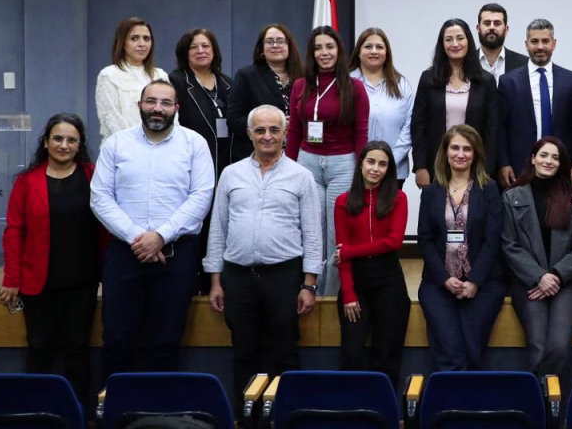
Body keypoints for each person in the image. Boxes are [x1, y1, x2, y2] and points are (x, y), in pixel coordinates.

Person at [90, 80, 215, 379]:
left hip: (177, 256)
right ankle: (117, 408)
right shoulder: (116, 144)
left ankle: (159, 409)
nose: (157, 108)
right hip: (124, 254)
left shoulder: (194, 144)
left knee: (166, 342)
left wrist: (160, 236)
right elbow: (100, 197)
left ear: (176, 108)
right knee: (117, 341)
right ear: (140, 105)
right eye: (151, 101)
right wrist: (138, 237)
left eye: (165, 103)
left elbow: (201, 197)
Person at [205, 106, 321, 404]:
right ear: (249, 134)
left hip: (283, 276)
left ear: (285, 133)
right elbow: (218, 229)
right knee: (244, 353)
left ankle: (284, 419)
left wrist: (309, 285)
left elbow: (312, 234)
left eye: (273, 130)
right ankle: (247, 422)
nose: (267, 136)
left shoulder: (301, 176)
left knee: (284, 353)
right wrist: (215, 281)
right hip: (238, 277)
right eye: (260, 130)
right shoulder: (231, 174)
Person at [0, 114, 104, 405]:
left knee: (77, 349)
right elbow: (13, 232)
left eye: (71, 140)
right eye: (57, 138)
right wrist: (11, 280)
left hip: (81, 283)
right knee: (39, 348)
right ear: (45, 142)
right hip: (38, 285)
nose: (64, 145)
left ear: (80, 144)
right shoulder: (26, 181)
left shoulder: (93, 176)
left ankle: (77, 416)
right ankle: (37, 414)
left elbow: (107, 228)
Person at [286, 26, 369, 296]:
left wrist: (360, 171)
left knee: (336, 234)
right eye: (318, 48)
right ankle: (310, 289)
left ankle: (331, 295)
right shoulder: (300, 85)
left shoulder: (354, 87)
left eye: (329, 47)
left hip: (342, 165)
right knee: (312, 230)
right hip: (307, 162)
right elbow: (295, 130)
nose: (324, 53)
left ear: (339, 51)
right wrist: (287, 168)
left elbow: (361, 132)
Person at [502, 137, 572, 379]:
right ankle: (540, 400)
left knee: (558, 347)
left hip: (567, 284)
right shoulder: (512, 197)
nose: (549, 161)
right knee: (538, 348)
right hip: (528, 283)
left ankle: (547, 397)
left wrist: (555, 276)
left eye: (555, 157)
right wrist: (539, 277)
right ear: (533, 159)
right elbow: (509, 245)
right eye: (543, 155)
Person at [417, 125, 505, 371]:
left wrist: (474, 281)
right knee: (450, 349)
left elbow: (492, 240)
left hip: (483, 283)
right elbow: (425, 239)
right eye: (455, 148)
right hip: (438, 283)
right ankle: (449, 395)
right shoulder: (431, 191)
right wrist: (445, 279)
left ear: (475, 154)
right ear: (445, 152)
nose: (460, 154)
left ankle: (469, 393)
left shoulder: (489, 189)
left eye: (467, 149)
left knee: (472, 350)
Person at [334, 141, 410, 388]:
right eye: (371, 162)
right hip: (356, 282)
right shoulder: (343, 201)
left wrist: (349, 252)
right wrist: (348, 294)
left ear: (389, 169)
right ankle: (353, 407)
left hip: (389, 280)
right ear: (361, 164)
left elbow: (393, 242)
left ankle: (384, 408)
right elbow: (342, 254)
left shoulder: (398, 198)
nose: (376, 169)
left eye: (383, 164)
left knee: (387, 354)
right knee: (352, 353)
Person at [497, 19, 572, 188]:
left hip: (561, 166)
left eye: (545, 41)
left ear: (554, 44)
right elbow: (501, 128)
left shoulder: (571, 80)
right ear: (526, 44)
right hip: (519, 167)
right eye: (534, 41)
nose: (540, 47)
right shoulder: (508, 81)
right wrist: (503, 163)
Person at [412, 19, 500, 187]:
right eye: (448, 39)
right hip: (436, 165)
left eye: (460, 38)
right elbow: (418, 126)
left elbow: (492, 129)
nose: (455, 44)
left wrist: (487, 169)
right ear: (442, 44)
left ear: (469, 41)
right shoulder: (428, 79)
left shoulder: (485, 81)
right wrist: (420, 167)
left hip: (475, 165)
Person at [348, 27, 415, 186]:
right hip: (353, 168)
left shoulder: (401, 84)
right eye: (368, 46)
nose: (374, 51)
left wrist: (389, 160)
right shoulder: (346, 83)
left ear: (387, 53)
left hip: (394, 169)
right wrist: (361, 161)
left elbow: (410, 124)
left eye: (379, 47)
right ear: (358, 52)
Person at [228, 24, 303, 162]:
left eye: (281, 41)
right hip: (257, 155)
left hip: (298, 155)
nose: (275, 45)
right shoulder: (247, 75)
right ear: (262, 49)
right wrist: (267, 126)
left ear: (290, 46)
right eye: (269, 41)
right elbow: (234, 119)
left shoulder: (304, 76)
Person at [169, 28, 236, 177]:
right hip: (191, 159)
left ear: (214, 51)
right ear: (185, 53)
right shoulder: (176, 81)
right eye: (193, 47)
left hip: (227, 160)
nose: (201, 51)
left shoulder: (228, 83)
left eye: (205, 46)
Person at [95, 17, 169, 141]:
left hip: (161, 145)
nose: (142, 44)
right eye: (134, 38)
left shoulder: (160, 75)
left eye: (146, 39)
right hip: (122, 146)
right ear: (122, 42)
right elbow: (111, 119)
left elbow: (172, 116)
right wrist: (141, 144)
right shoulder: (109, 75)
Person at [476, 3, 529, 79]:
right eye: (487, 23)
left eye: (497, 23)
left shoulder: (524, 64)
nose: (492, 27)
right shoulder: (465, 63)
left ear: (506, 30)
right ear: (478, 28)